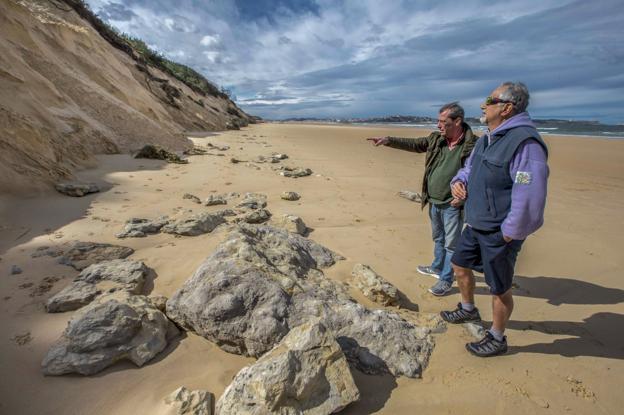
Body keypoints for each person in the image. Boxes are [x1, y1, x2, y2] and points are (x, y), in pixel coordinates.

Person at [441, 82, 549, 357]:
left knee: (498, 287)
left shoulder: (525, 143)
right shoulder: (488, 137)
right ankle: (467, 309)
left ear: (507, 107)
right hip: (476, 223)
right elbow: (468, 168)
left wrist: (510, 232)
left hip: (500, 231)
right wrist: (459, 182)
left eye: (489, 99)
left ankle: (497, 337)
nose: (482, 105)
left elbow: (530, 192)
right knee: (459, 264)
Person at [368, 102, 477, 296]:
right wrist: (388, 140)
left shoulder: (473, 145)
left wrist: (465, 194)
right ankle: (436, 267)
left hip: (453, 204)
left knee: (451, 244)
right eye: (438, 121)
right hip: (433, 199)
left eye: (443, 121)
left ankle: (445, 279)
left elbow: (476, 175)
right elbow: (416, 144)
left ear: (458, 121)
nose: (438, 125)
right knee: (438, 237)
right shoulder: (437, 139)